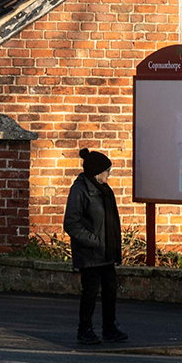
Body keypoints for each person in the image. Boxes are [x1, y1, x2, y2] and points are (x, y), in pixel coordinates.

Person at [63, 146, 127, 345]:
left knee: (110, 288)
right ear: (97, 172)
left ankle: (109, 327)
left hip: (105, 251)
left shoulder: (104, 191)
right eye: (108, 171)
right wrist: (92, 240)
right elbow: (70, 223)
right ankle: (85, 329)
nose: (109, 174)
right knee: (90, 290)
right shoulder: (80, 190)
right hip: (90, 252)